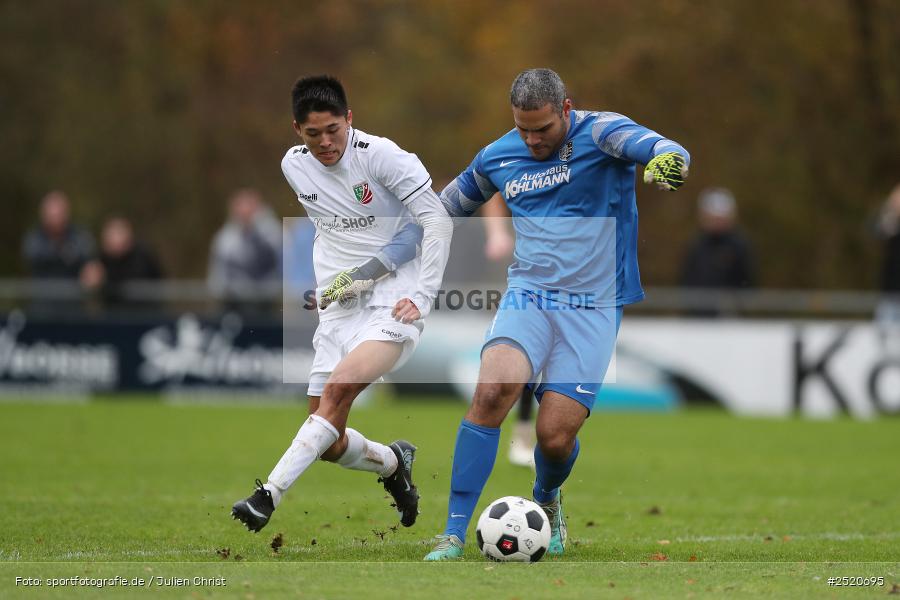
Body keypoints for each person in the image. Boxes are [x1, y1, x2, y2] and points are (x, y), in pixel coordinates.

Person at [423, 68, 690, 560]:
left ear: (566, 109)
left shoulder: (604, 133)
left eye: (542, 129)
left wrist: (668, 162)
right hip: (530, 295)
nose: (531, 139)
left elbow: (664, 148)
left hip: (594, 306)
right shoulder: (498, 155)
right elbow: (444, 210)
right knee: (492, 392)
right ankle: (453, 533)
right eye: (522, 128)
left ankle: (546, 497)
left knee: (553, 435)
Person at [231, 75, 453, 533]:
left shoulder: (384, 157)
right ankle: (393, 462)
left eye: (334, 129)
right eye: (314, 134)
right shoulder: (293, 167)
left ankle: (267, 495)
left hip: (393, 303)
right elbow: (336, 235)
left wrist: (420, 294)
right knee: (327, 437)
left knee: (335, 393)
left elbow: (436, 221)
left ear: (349, 118)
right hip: (337, 310)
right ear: (297, 130)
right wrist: (332, 288)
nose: (326, 142)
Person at [481, 194, 536, 468]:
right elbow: (491, 188)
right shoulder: (513, 155)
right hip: (517, 271)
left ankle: (526, 435)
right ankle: (521, 436)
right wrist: (497, 231)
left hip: (552, 267)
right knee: (521, 353)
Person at [207, 188, 283, 315]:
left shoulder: (273, 232)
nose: (244, 213)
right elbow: (218, 273)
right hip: (233, 302)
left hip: (267, 302)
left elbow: (276, 261)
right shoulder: (225, 237)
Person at [679, 188, 755, 311]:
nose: (716, 222)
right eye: (712, 217)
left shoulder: (739, 246)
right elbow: (686, 280)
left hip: (729, 317)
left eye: (720, 217)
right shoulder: (696, 244)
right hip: (696, 316)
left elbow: (747, 283)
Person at [91, 216, 164, 309]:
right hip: (112, 316)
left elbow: (158, 280)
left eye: (119, 232)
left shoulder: (143, 255)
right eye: (111, 234)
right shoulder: (99, 259)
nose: (116, 238)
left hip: (144, 314)